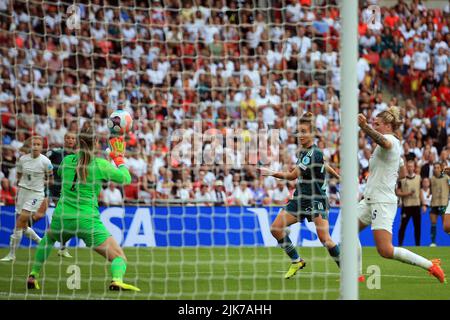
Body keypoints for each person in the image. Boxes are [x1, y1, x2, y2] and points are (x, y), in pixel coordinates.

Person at [26, 127, 140, 291]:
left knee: (49, 239)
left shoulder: (66, 161)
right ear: (95, 143)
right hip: (87, 221)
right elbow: (126, 178)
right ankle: (116, 280)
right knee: (119, 257)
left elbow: (59, 172)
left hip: (62, 216)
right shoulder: (101, 165)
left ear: (78, 142)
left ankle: (33, 274)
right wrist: (119, 158)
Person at [357, 107, 445, 284]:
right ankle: (356, 276)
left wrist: (365, 127)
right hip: (370, 199)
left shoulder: (389, 140)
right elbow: (403, 174)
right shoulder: (393, 144)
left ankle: (430, 265)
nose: (375, 126)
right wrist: (396, 162)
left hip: (381, 201)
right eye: (373, 124)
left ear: (388, 126)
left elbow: (385, 142)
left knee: (385, 250)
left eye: (377, 124)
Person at [259, 112, 342, 280]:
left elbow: (292, 176)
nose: (300, 135)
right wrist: (339, 176)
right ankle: (296, 260)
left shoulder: (312, 153)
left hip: (316, 199)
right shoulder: (306, 153)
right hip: (300, 199)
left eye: (304, 131)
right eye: (298, 132)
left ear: (311, 133)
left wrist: (270, 172)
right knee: (276, 228)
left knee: (325, 239)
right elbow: (324, 165)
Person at [1, 136, 53, 262]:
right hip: (22, 192)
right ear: (29, 146)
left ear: (42, 147)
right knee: (23, 226)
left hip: (36, 194)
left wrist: (40, 182)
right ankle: (41, 241)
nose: (35, 146)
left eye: (38, 144)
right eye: (33, 144)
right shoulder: (22, 160)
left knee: (20, 221)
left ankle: (12, 254)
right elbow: (19, 176)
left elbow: (51, 180)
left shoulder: (46, 162)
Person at [44, 132, 77, 258]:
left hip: (65, 190)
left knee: (64, 217)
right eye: (68, 138)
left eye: (73, 138)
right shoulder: (56, 152)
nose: (70, 140)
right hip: (50, 187)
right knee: (42, 214)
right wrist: (47, 176)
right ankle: (25, 229)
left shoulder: (76, 156)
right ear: (64, 139)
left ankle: (62, 247)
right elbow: (44, 160)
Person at [396, 160, 425, 246]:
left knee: (417, 227)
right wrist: (407, 194)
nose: (410, 168)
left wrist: (423, 204)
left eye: (411, 166)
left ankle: (418, 245)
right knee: (402, 227)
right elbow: (398, 192)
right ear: (406, 167)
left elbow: (420, 191)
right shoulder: (402, 179)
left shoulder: (418, 178)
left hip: (416, 205)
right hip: (406, 206)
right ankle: (400, 245)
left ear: (414, 167)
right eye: (408, 166)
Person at [429, 163, 449, 246]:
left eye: (437, 167)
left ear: (441, 169)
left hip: (444, 203)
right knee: (433, 222)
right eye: (434, 168)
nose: (436, 169)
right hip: (434, 203)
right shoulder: (432, 179)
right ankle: (433, 242)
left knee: (446, 226)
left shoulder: (447, 178)